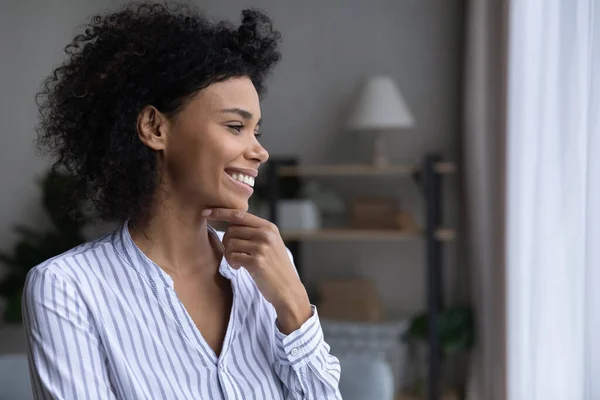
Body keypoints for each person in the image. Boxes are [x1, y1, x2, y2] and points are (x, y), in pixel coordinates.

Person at [22, 3, 342, 399]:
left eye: (257, 130)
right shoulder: (68, 288)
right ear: (155, 127)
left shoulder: (270, 272)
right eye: (235, 126)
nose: (259, 151)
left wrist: (294, 306)